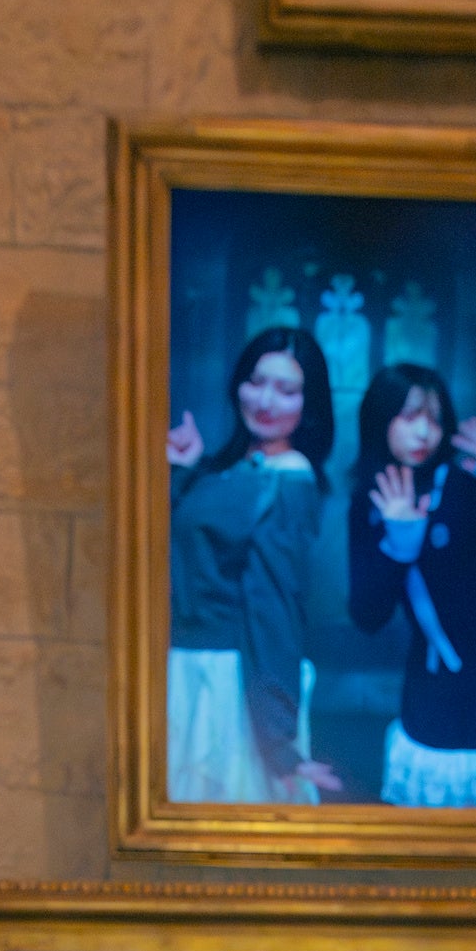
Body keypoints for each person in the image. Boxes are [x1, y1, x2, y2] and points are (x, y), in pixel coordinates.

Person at [167, 325, 343, 806]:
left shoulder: (288, 480)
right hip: (189, 670)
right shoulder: (237, 468)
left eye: (286, 390)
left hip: (229, 683)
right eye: (256, 381)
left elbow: (272, 607)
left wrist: (278, 738)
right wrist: (188, 470)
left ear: (308, 405)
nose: (265, 400)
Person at [347, 363, 476, 810]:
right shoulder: (369, 502)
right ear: (381, 419)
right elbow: (368, 616)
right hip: (430, 693)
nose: (423, 432)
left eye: (434, 418)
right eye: (409, 415)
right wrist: (397, 548)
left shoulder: (464, 481)